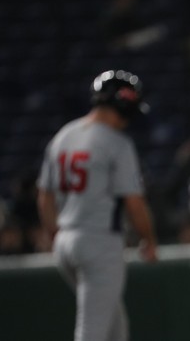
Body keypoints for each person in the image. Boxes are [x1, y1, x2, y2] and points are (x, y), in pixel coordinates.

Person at [37, 70, 158, 341]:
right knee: (91, 332)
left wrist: (57, 235)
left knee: (115, 328)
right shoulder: (116, 143)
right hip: (99, 242)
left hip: (66, 242)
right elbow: (134, 203)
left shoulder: (64, 135)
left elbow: (44, 195)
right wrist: (148, 240)